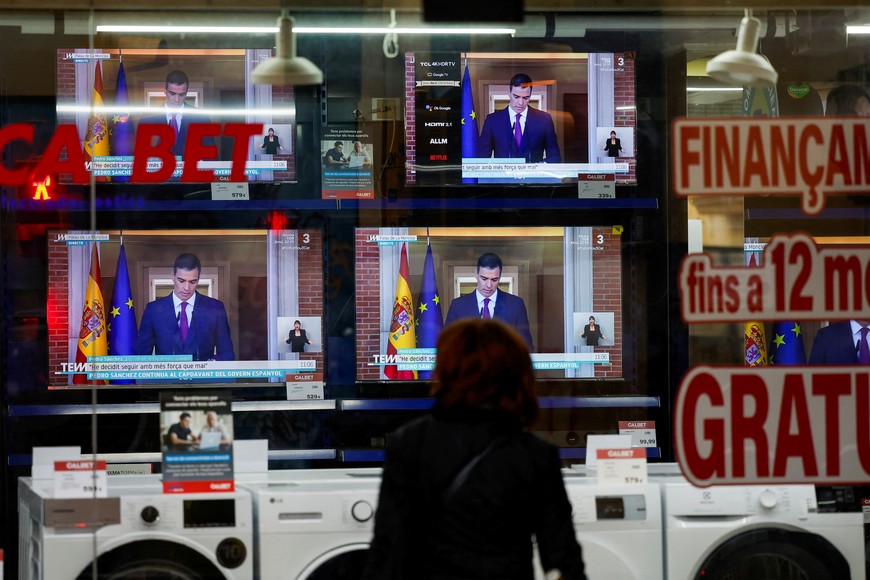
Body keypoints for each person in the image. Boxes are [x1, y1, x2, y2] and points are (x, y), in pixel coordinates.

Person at [362, 319, 586, 580]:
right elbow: (562, 559)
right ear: (515, 375)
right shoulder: (535, 455)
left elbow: (387, 549)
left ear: (446, 370)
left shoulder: (410, 442)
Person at [135, 253, 235, 361]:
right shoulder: (153, 310)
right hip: (166, 377)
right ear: (172, 276)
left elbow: (227, 353)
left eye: (192, 282)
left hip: (203, 377)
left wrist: (209, 366)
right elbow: (141, 356)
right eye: (181, 281)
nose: (187, 288)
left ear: (198, 279)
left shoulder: (215, 309)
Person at [445, 252, 534, 351]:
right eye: (484, 278)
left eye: (494, 280)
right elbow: (447, 346)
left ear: (500, 277)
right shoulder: (458, 306)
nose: (489, 285)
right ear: (476, 274)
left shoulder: (515, 305)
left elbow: (526, 348)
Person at [477, 73, 561, 163]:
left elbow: (554, 156)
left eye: (525, 98)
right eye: (516, 97)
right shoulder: (492, 121)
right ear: (509, 93)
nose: (520, 103)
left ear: (530, 95)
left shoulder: (544, 119)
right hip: (504, 176)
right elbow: (482, 158)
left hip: (533, 176)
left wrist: (540, 167)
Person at [137, 69, 204, 156]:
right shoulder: (148, 119)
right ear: (165, 90)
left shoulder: (200, 118)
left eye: (181, 95)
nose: (177, 100)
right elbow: (142, 155)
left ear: (187, 93)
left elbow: (210, 157)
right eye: (172, 94)